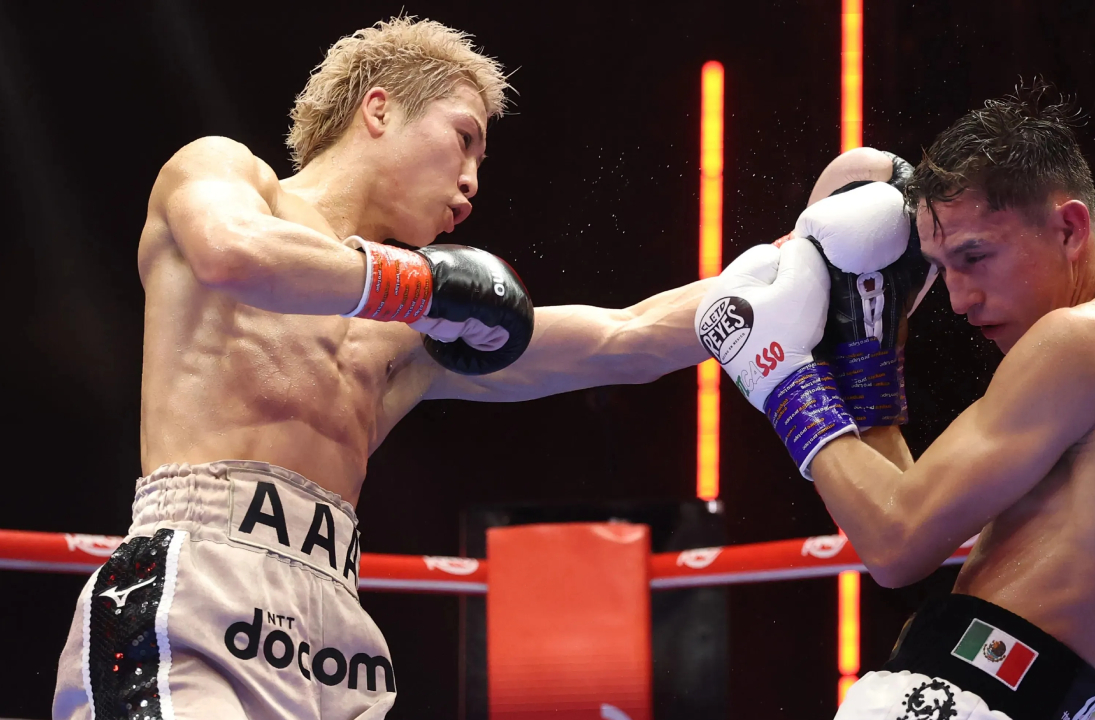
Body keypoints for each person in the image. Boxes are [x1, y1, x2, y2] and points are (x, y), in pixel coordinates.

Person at [52, 17, 711, 720]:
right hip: (195, 586)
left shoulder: (409, 333)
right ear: (379, 107)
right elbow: (233, 252)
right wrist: (420, 288)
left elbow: (625, 337)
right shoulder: (227, 174)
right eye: (464, 139)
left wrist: (794, 264)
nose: (471, 181)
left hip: (331, 635)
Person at [699, 85, 1095, 720]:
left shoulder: (1091, 339)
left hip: (961, 697)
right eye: (942, 267)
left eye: (975, 256)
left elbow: (894, 543)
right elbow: (904, 510)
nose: (957, 298)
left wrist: (781, 378)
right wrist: (867, 354)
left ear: (1069, 227)